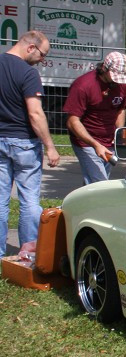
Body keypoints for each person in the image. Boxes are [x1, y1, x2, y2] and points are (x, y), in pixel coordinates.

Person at [0, 30, 61, 256]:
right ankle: (28, 253)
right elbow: (35, 114)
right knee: (29, 201)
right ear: (30, 47)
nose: (42, 60)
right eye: (43, 55)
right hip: (23, 142)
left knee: (0, 201)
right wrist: (50, 146)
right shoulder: (28, 73)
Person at [64, 51, 126, 184]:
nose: (118, 81)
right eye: (115, 76)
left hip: (109, 143)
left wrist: (119, 134)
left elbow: (120, 109)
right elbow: (72, 121)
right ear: (105, 68)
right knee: (100, 184)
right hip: (86, 143)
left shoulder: (120, 85)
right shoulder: (83, 85)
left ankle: (83, 204)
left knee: (92, 184)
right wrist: (95, 145)